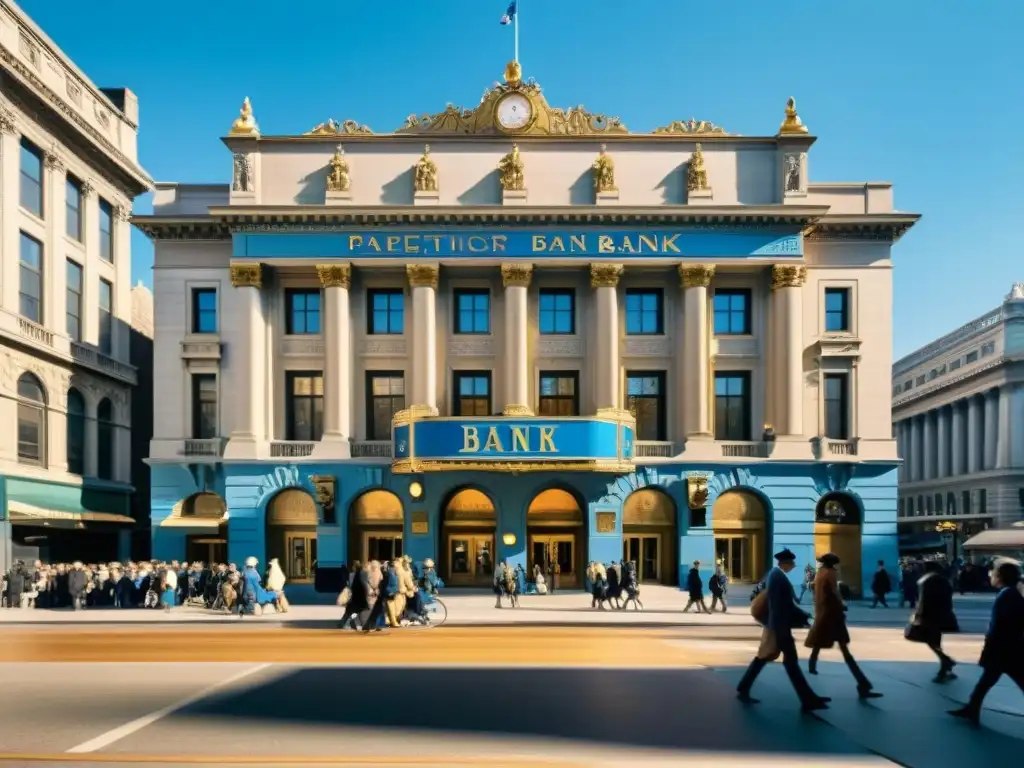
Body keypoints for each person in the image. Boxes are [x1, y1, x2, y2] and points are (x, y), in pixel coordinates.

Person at [737, 548, 829, 712]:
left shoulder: (776, 575)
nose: (793, 566)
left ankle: (744, 687)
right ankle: (808, 699)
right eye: (791, 563)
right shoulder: (778, 577)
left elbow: (784, 605)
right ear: (785, 563)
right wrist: (782, 629)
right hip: (779, 627)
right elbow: (779, 607)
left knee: (766, 658)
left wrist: (803, 615)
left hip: (777, 626)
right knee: (787, 662)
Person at [949, 561, 1024, 726]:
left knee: (989, 681)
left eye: (994, 573)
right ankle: (971, 709)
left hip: (1004, 649)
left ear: (1000, 577)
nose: (990, 575)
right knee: (986, 682)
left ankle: (971, 709)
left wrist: (990, 647)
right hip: (1009, 649)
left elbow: (1001, 626)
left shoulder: (1008, 596)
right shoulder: (1010, 594)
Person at [805, 553, 881, 699]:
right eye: (837, 563)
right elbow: (835, 591)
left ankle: (812, 664)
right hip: (833, 614)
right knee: (844, 649)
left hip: (823, 613)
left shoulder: (820, 573)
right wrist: (842, 604)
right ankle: (863, 684)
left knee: (820, 640)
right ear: (833, 564)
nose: (838, 566)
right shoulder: (831, 573)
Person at [906, 560, 960, 682]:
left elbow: (923, 600)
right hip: (941, 615)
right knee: (935, 640)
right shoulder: (943, 579)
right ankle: (946, 667)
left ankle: (945, 663)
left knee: (930, 641)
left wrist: (918, 615)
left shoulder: (926, 580)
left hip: (928, 616)